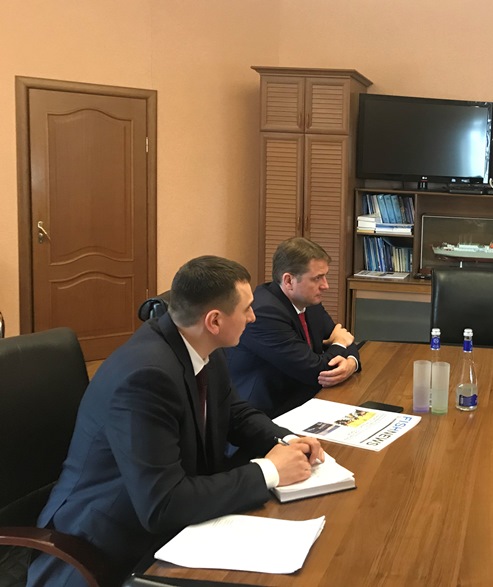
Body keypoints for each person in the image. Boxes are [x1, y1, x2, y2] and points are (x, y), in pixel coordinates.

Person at [28, 256, 325, 586]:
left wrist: (285, 441)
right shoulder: (145, 377)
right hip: (106, 546)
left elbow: (234, 413)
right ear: (214, 320)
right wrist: (269, 471)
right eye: (246, 309)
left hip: (171, 519)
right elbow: (163, 505)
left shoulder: (202, 345)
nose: (253, 317)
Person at [226, 237, 360, 418]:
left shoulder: (308, 302)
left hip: (302, 398)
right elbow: (317, 371)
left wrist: (351, 363)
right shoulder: (265, 313)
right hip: (265, 413)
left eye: (325, 276)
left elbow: (344, 338)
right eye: (317, 278)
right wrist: (340, 343)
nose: (325, 285)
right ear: (288, 280)